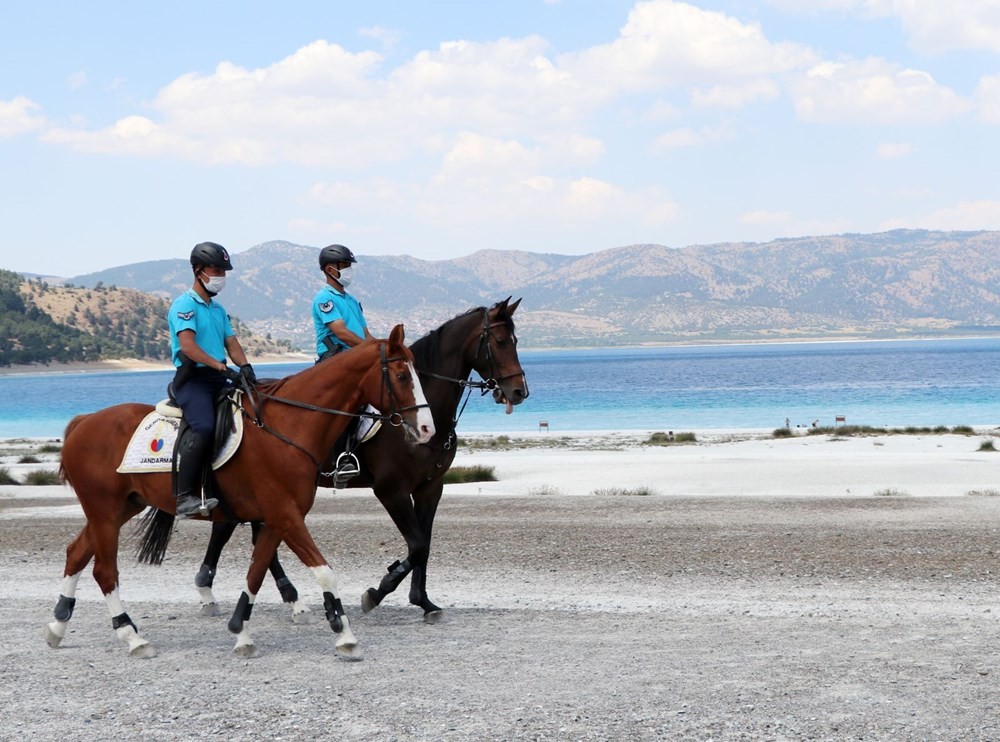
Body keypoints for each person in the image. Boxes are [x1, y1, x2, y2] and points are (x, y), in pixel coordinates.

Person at [168, 241, 256, 517]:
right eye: (215, 269)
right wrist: (221, 368)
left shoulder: (217, 310)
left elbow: (231, 342)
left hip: (220, 378)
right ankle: (184, 497)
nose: (221, 275)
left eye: (223, 270)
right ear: (198, 270)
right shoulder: (184, 305)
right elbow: (188, 347)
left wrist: (245, 366)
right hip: (194, 380)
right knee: (205, 427)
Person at [311, 244, 374, 482]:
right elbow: (341, 333)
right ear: (330, 269)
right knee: (347, 404)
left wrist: (384, 348)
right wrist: (369, 349)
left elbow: (365, 334)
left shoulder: (351, 300)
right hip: (335, 361)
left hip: (357, 359)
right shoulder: (324, 299)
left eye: (349, 265)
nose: (349, 270)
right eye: (345, 266)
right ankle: (342, 459)